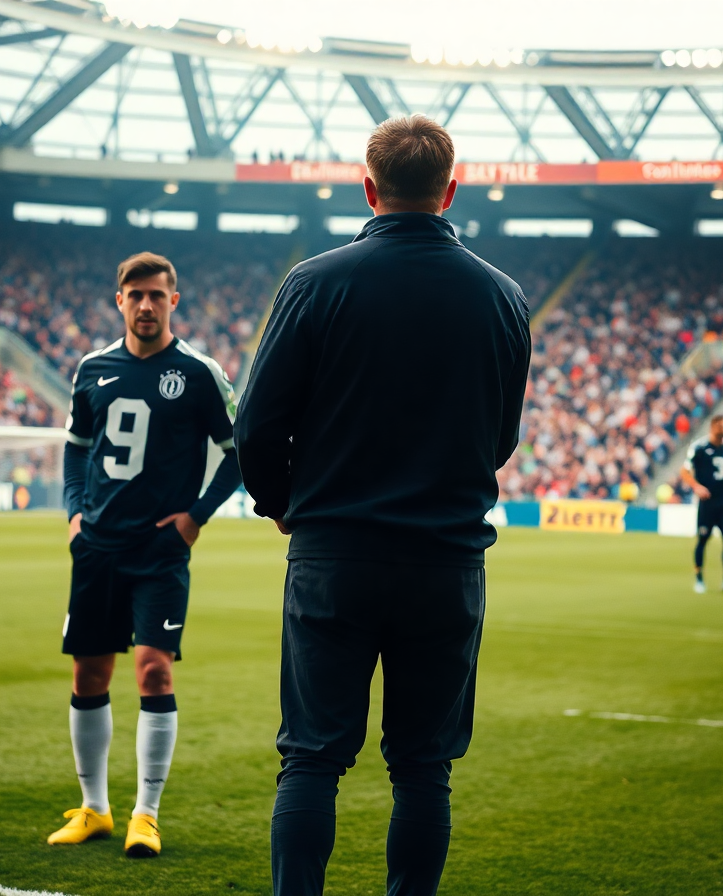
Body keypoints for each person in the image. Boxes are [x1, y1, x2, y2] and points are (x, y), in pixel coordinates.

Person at [234, 115, 532, 896]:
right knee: (424, 768)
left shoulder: (315, 281)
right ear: (451, 189)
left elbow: (255, 425)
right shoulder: (503, 297)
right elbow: (500, 440)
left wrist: (282, 504)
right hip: (446, 561)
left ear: (368, 187)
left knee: (311, 759)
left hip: (335, 553)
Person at [48, 251, 243, 857]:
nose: (146, 305)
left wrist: (194, 519)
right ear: (120, 301)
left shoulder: (200, 372)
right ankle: (95, 808)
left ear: (173, 301)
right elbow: (77, 446)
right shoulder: (93, 368)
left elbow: (239, 451)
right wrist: (75, 511)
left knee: (153, 668)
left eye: (157, 295)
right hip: (98, 547)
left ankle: (146, 814)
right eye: (135, 295)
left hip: (160, 551)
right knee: (89, 672)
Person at [680, 414, 723, 594]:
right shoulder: (699, 447)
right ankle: (699, 579)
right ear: (713, 427)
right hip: (707, 503)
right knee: (702, 540)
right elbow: (684, 471)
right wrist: (696, 486)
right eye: (721, 427)